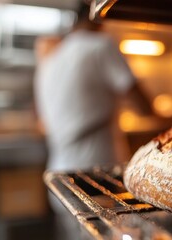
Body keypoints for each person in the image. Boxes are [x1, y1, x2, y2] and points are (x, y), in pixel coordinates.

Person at [34, 2, 152, 239]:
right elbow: (144, 105)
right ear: (99, 18)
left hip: (60, 177)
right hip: (98, 178)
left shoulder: (50, 58)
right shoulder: (100, 45)